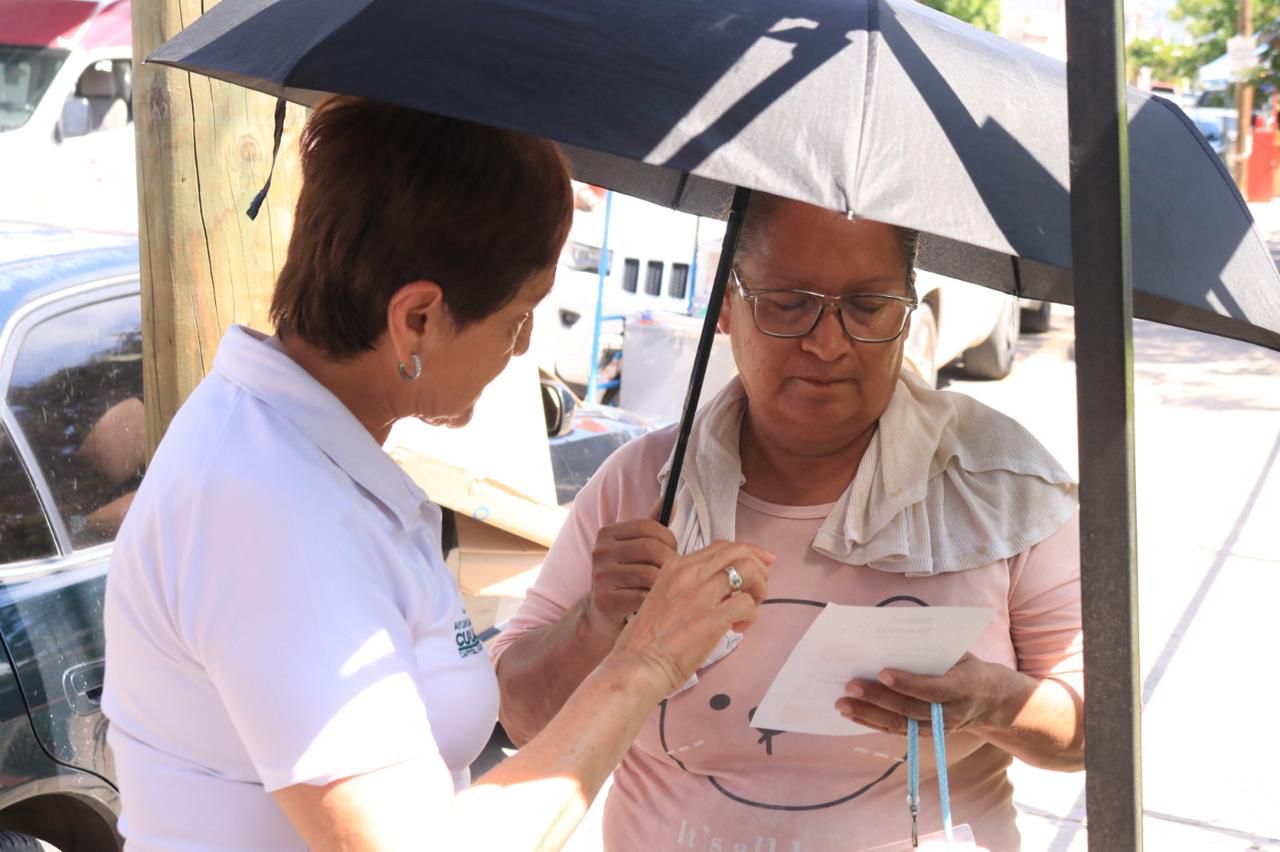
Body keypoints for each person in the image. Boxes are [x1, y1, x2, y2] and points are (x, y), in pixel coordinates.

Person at [101, 96, 771, 852]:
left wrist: (603, 636)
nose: (522, 349)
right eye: (520, 315)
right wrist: (644, 662)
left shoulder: (305, 459)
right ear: (416, 317)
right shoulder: (271, 508)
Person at [492, 195, 1085, 851]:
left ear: (908, 314)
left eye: (867, 307)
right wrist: (597, 624)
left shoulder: (1002, 488)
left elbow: (1098, 731)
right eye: (787, 303)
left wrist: (995, 702)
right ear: (725, 303)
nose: (827, 343)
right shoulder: (644, 486)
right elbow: (518, 716)